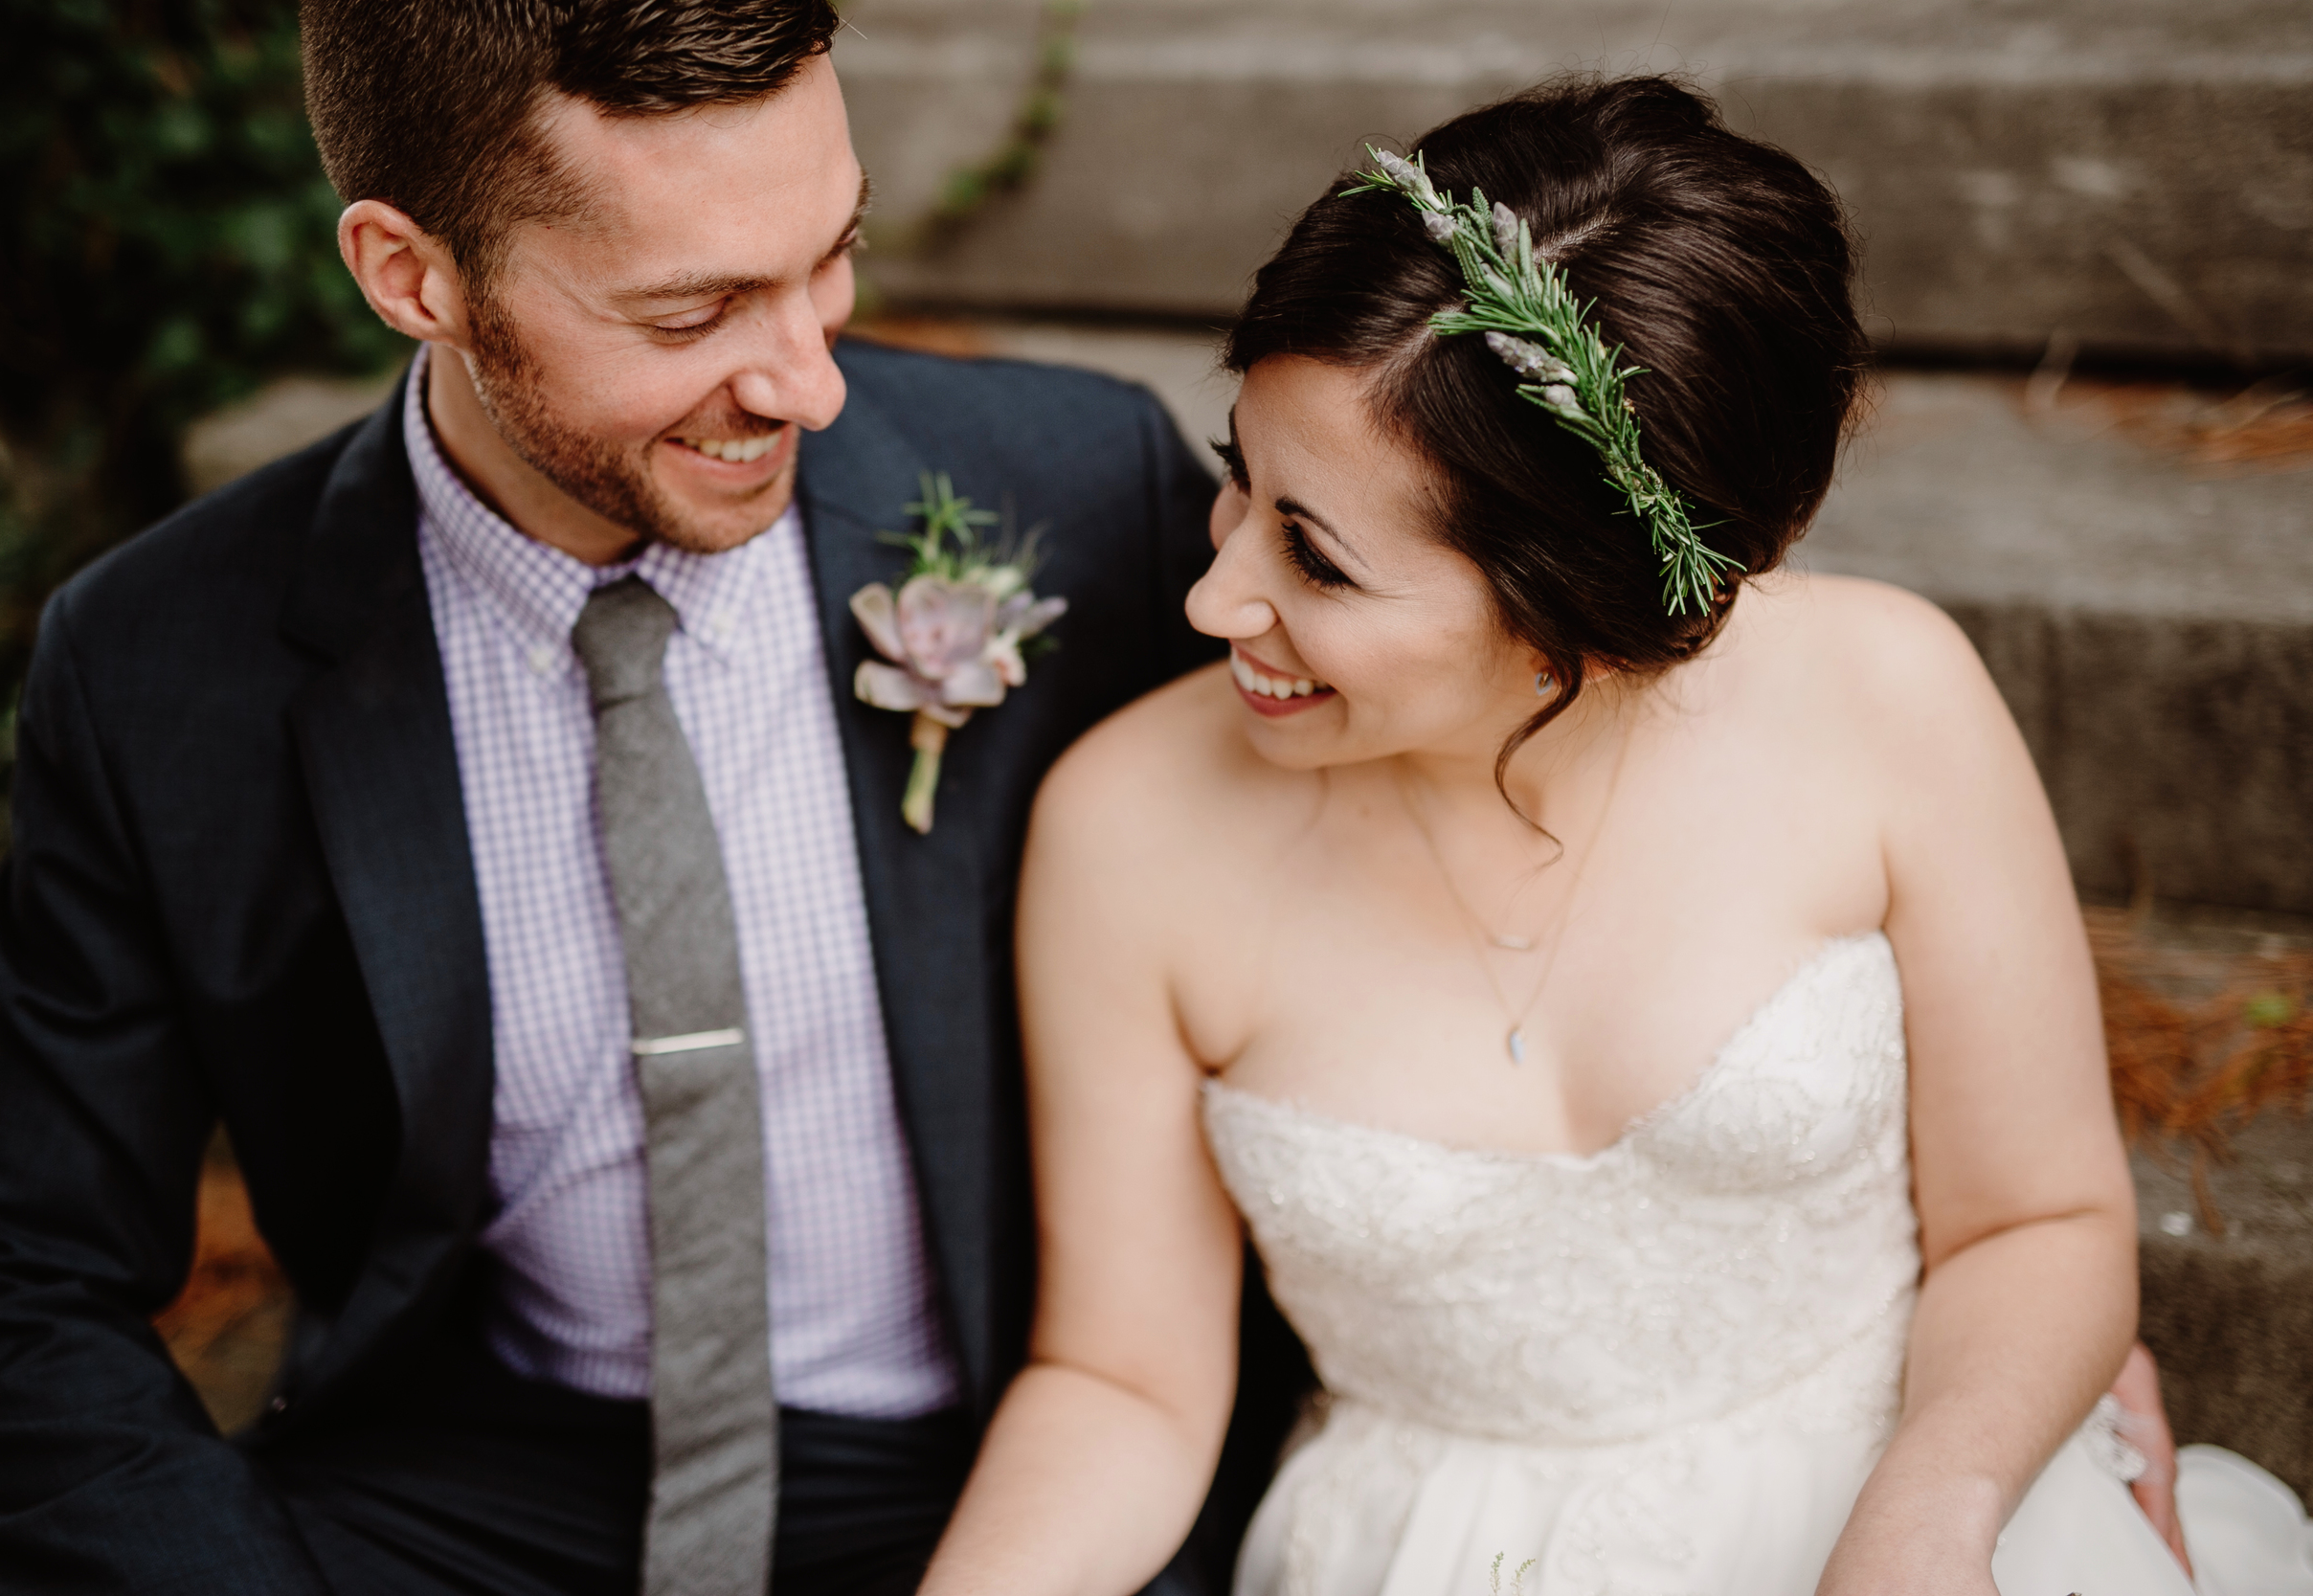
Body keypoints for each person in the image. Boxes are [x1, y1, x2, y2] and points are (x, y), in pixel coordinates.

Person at [0, 3, 1303, 1592]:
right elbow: (11, 1273)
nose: (809, 379)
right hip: (467, 1489)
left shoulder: (1078, 489)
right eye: (694, 310)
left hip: (1009, 1460)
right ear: (409, 275)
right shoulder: (167, 660)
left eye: (829, 256)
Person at [913, 78, 2313, 1596]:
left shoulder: (1889, 699)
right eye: (1236, 475)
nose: (1215, 598)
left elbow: (2037, 1215)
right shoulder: (1127, 827)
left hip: (1914, 1483)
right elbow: (1126, 1388)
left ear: (1568, 620)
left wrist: (1939, 1514)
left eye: (1315, 559)